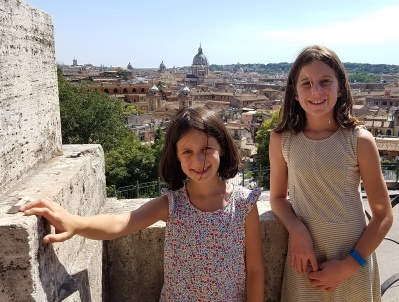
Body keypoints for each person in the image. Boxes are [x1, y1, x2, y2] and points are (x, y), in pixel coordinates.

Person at [20, 106, 264, 301]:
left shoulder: (243, 203)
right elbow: (121, 222)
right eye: (187, 152)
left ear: (222, 147)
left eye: (206, 148)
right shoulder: (172, 204)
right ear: (176, 157)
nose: (198, 160)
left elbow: (254, 270)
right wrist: (74, 223)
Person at [269, 45, 393, 301]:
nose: (316, 91)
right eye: (306, 83)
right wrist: (297, 229)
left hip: (352, 264)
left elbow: (383, 214)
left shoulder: (359, 140)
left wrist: (348, 266)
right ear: (294, 91)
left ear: (340, 86)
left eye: (325, 81)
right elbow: (278, 198)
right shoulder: (282, 139)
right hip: (304, 261)